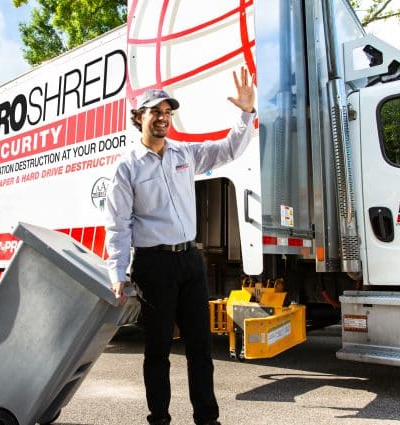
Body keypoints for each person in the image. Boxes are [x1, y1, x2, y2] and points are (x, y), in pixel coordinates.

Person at [104, 66, 256, 425]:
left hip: (189, 260)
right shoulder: (126, 168)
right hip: (153, 266)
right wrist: (116, 270)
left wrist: (246, 113)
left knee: (200, 349)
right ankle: (159, 418)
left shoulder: (184, 155)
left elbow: (229, 149)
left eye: (168, 112)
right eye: (156, 111)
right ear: (139, 117)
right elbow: (118, 225)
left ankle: (207, 419)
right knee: (157, 350)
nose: (163, 118)